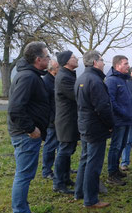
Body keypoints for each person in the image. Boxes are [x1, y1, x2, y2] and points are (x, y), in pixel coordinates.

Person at [8, 41, 51, 213]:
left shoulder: (31, 75)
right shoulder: (28, 77)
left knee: (24, 174)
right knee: (24, 175)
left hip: (26, 134)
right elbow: (15, 108)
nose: (49, 59)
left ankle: (21, 208)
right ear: (38, 59)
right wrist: (31, 129)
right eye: (47, 56)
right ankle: (20, 210)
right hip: (26, 135)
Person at [74, 51, 114, 208]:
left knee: (85, 160)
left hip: (84, 125)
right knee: (94, 164)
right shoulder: (95, 81)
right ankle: (90, 200)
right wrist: (110, 125)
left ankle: (79, 192)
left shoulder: (81, 78)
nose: (104, 63)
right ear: (95, 62)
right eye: (102, 60)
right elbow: (103, 107)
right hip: (95, 128)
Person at [105, 55, 132, 186]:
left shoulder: (123, 80)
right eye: (125, 64)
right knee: (116, 146)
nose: (128, 66)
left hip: (127, 120)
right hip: (119, 120)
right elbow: (111, 101)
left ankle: (116, 170)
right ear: (117, 65)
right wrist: (123, 113)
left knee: (122, 145)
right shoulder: (112, 81)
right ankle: (111, 174)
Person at [53, 50, 79, 194]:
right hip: (66, 120)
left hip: (70, 119)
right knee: (64, 151)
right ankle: (58, 183)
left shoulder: (68, 75)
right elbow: (76, 96)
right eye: (74, 57)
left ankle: (66, 177)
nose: (76, 59)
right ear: (67, 61)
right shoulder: (64, 77)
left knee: (68, 150)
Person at [42, 59, 60, 180]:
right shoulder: (46, 82)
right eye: (58, 67)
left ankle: (62, 167)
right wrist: (51, 119)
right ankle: (47, 170)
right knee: (50, 145)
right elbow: (47, 104)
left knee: (60, 145)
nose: (60, 69)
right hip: (52, 120)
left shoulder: (56, 80)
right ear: (51, 70)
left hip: (59, 118)